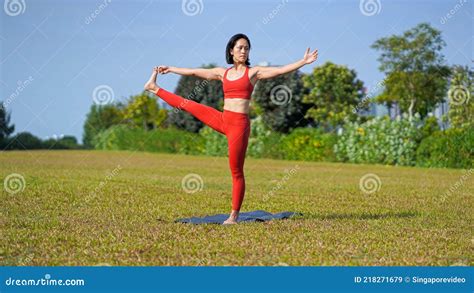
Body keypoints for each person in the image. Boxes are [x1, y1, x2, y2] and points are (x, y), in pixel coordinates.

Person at [144, 33, 318, 224]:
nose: (243, 51)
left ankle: (233, 216)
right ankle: (154, 88)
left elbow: (281, 71)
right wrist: (172, 69)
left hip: (239, 126)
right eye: (240, 47)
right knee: (188, 104)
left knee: (236, 171)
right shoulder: (222, 73)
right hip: (223, 118)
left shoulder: (254, 72)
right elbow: (195, 72)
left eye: (246, 48)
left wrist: (303, 62)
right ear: (231, 50)